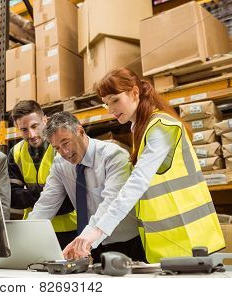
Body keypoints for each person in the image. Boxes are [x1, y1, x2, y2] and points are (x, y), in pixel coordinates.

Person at [71, 68, 225, 263]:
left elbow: (137, 184)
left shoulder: (160, 128)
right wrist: (89, 235)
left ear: (135, 92)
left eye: (115, 100)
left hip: (191, 241)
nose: (110, 109)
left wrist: (96, 234)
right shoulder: (141, 129)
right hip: (168, 244)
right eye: (106, 104)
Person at [28, 111, 146, 263]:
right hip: (89, 247)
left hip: (125, 245)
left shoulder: (113, 156)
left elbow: (111, 203)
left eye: (66, 142)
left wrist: (86, 239)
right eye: (57, 148)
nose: (64, 152)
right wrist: (25, 238)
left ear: (80, 131)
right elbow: (46, 204)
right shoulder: (60, 164)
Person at [8, 101, 77, 249]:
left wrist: (28, 196)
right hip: (35, 229)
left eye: (34, 126)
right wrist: (48, 193)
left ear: (45, 120)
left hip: (69, 230)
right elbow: (13, 198)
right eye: (24, 130)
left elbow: (69, 201)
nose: (31, 134)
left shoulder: (62, 148)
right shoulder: (16, 153)